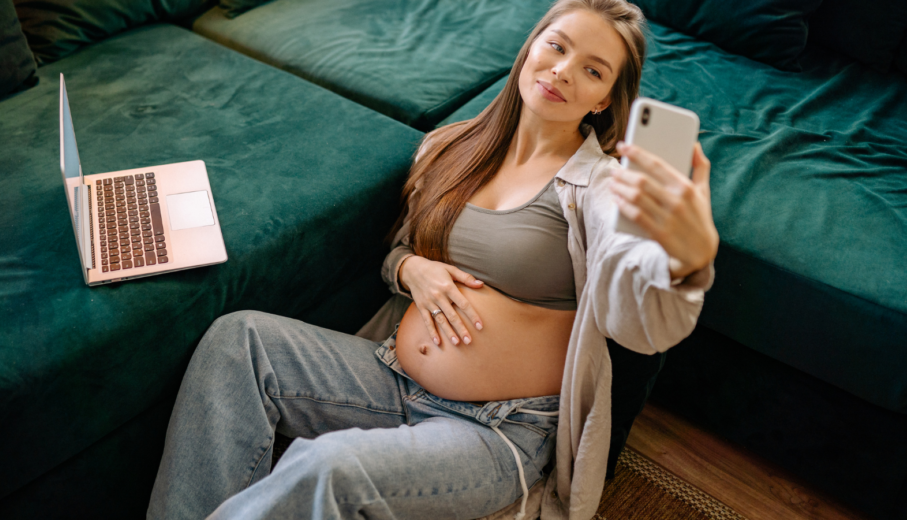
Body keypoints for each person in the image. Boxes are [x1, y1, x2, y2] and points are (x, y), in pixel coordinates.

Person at [147, 0, 717, 518]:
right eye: (557, 45)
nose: (564, 70)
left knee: (329, 468)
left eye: (594, 70)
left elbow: (639, 320)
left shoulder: (599, 190)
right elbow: (401, 246)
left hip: (497, 432)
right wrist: (407, 268)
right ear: (531, 48)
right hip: (389, 378)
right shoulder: (449, 147)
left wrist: (684, 262)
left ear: (604, 102)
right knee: (238, 340)